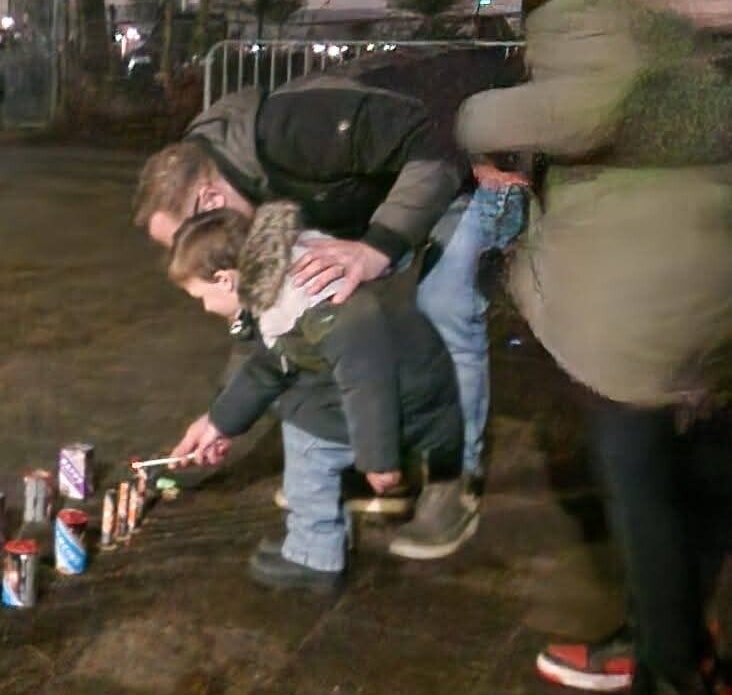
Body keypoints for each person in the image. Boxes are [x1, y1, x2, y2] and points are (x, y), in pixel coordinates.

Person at [458, 0, 732, 695]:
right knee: (703, 476)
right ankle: (670, 642)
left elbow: (590, 105)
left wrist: (478, 118)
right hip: (712, 270)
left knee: (640, 478)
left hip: (640, 289)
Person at [134, 46, 525, 556]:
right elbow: (269, 329)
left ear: (209, 199)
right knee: (330, 310)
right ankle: (374, 455)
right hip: (392, 177)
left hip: (465, 156)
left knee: (443, 304)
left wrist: (376, 248)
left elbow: (434, 139)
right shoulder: (238, 201)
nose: (189, 253)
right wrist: (219, 421)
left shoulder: (292, 134)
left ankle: (452, 482)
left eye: (185, 234)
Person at [165, 202, 466, 593]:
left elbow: (367, 381)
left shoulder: (317, 303)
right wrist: (219, 423)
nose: (204, 308)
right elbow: (271, 364)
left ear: (224, 280)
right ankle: (325, 529)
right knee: (300, 404)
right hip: (406, 382)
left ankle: (315, 554)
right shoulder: (283, 283)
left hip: (407, 397)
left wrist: (378, 459)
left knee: (306, 433)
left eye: (199, 296)